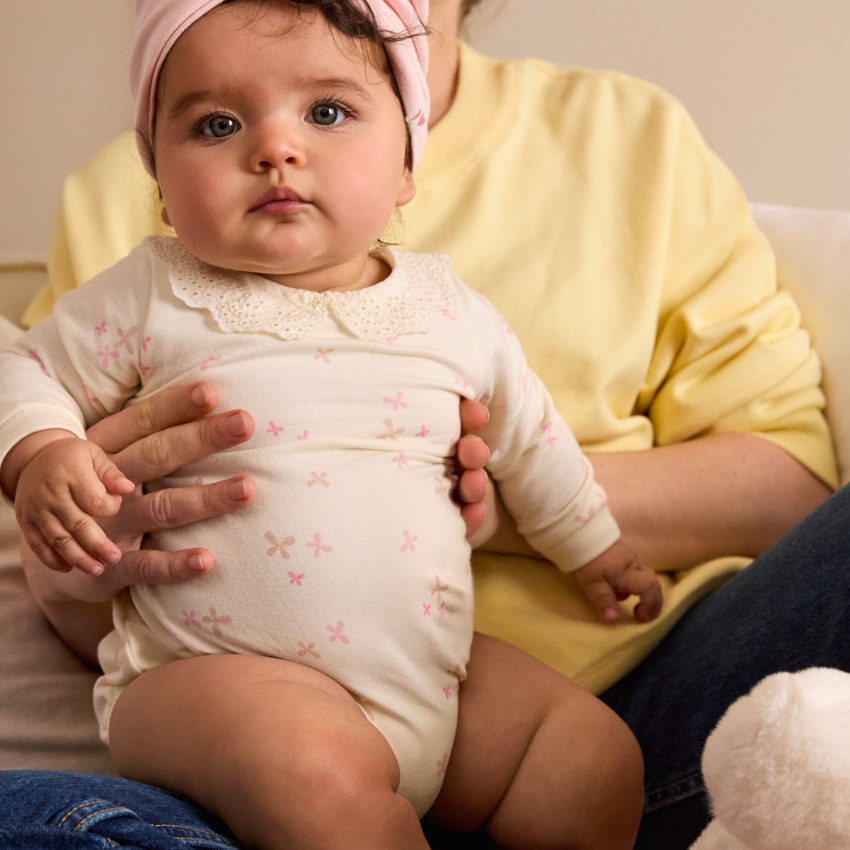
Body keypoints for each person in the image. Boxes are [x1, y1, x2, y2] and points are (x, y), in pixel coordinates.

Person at [1, 0, 844, 847]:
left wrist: (589, 545)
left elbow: (532, 444)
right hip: (218, 680)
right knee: (305, 772)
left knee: (586, 757)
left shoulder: (451, 311)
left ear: (408, 166)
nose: (275, 148)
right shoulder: (150, 290)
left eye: (327, 113)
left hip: (436, 672)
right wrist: (48, 461)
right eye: (217, 125)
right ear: (159, 188)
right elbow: (25, 369)